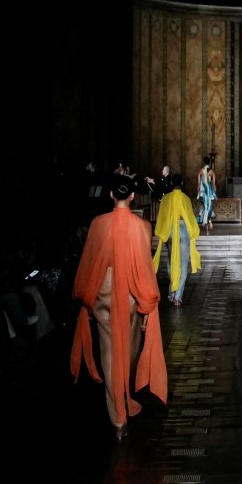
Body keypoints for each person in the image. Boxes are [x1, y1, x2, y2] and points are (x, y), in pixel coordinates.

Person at [70, 174, 167, 441]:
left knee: (109, 351)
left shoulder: (98, 224)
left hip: (102, 294)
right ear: (133, 196)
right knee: (128, 351)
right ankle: (121, 408)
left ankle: (118, 416)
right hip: (129, 296)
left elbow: (88, 261)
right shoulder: (142, 227)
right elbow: (145, 268)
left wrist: (84, 295)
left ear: (111, 195)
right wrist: (148, 302)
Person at [153, 173, 202, 306]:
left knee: (170, 261)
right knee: (183, 264)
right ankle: (178, 297)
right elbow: (190, 216)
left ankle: (171, 292)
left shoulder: (166, 198)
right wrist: (193, 230)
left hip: (170, 231)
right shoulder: (185, 198)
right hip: (183, 231)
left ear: (170, 183)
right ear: (182, 183)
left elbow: (162, 217)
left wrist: (162, 235)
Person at [196, 156, 217, 233]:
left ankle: (206, 221)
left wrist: (198, 192)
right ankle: (209, 221)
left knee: (205, 206)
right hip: (210, 192)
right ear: (209, 162)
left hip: (203, 191)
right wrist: (214, 192)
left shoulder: (200, 171)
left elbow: (198, 183)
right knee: (209, 206)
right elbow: (214, 184)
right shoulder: (212, 171)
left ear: (204, 162)